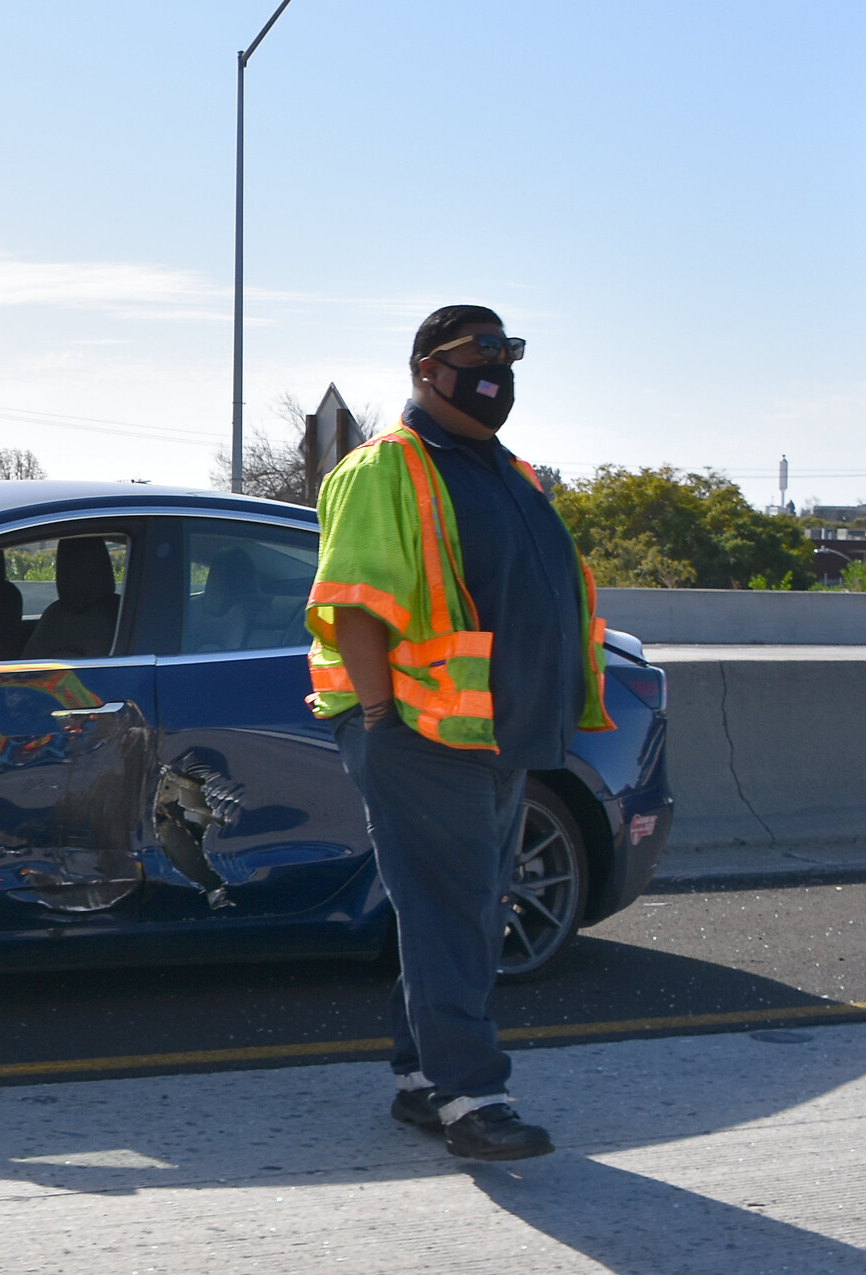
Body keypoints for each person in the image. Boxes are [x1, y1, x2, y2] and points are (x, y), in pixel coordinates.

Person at [305, 304, 613, 1162]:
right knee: (452, 911)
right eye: (478, 353)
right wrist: (377, 717)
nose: (496, 370)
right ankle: (472, 1094)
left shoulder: (510, 472)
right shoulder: (386, 469)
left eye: (508, 353)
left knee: (464, 908)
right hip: (415, 729)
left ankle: (418, 1076)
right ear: (423, 368)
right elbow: (350, 603)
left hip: (496, 729)